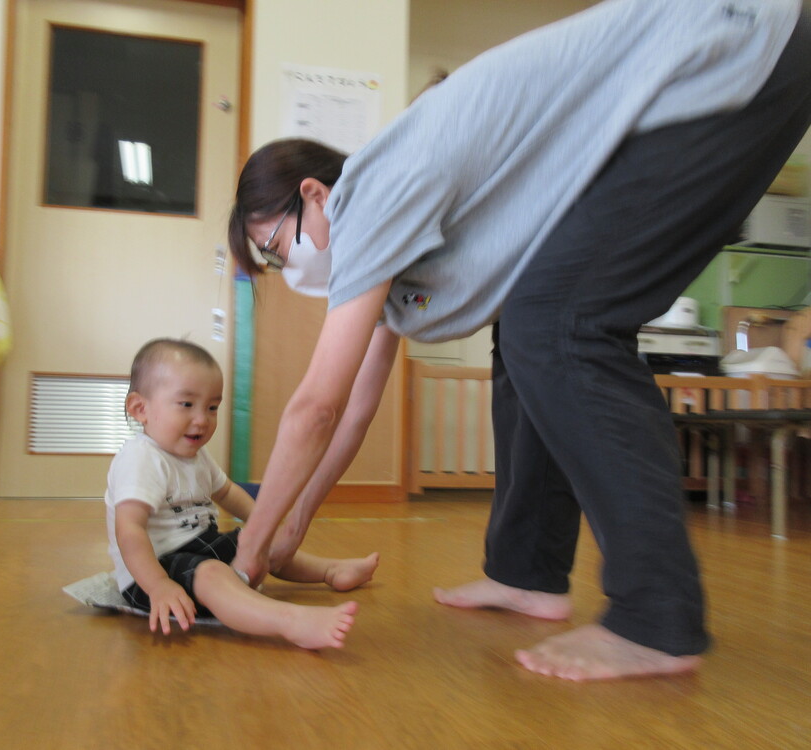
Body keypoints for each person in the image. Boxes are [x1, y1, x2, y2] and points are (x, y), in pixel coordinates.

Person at [226, 0, 811, 680]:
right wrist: (292, 526)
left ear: (315, 195)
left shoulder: (370, 199)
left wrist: (249, 551)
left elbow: (313, 409)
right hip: (730, 61)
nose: (288, 268)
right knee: (529, 331)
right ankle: (528, 572)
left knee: (559, 326)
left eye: (276, 246)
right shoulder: (386, 267)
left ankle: (657, 616)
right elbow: (354, 409)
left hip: (728, 50)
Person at [105, 338, 378, 649]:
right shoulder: (141, 459)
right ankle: (289, 622)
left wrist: (263, 529)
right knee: (210, 574)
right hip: (155, 567)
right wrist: (158, 586)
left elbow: (229, 493)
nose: (202, 419)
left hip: (200, 545)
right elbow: (129, 530)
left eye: (212, 407)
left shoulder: (196, 456)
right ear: (141, 409)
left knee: (258, 546)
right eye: (186, 404)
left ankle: (330, 570)